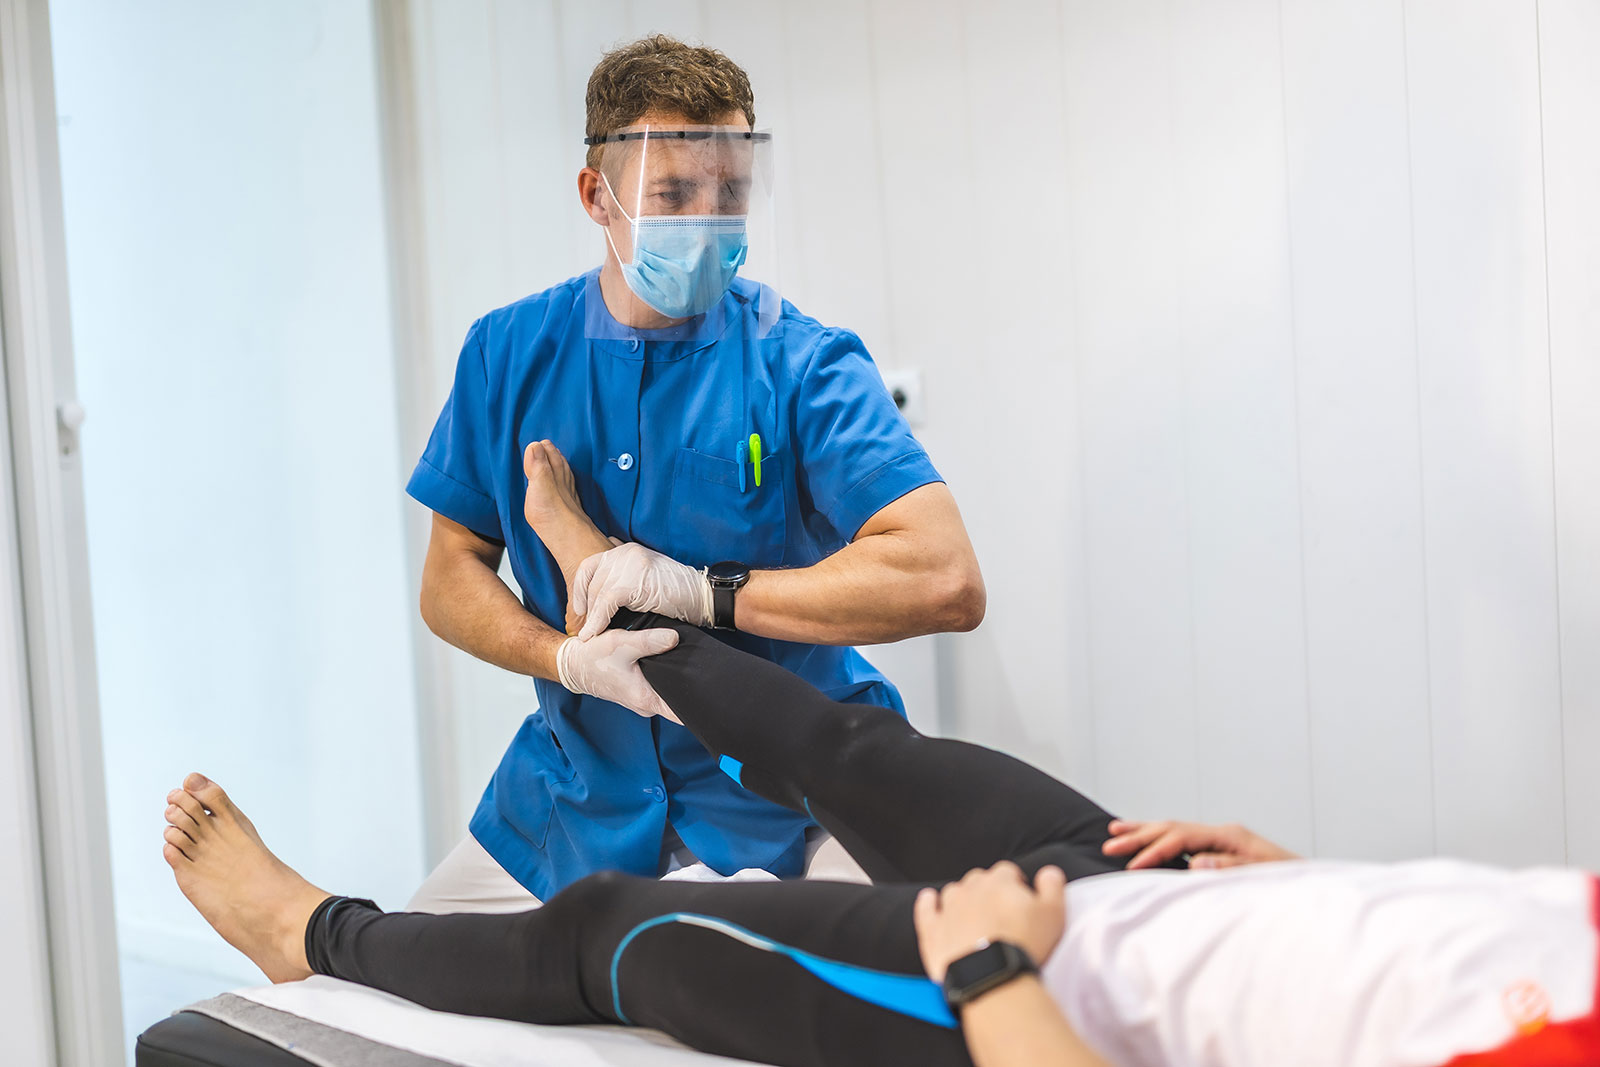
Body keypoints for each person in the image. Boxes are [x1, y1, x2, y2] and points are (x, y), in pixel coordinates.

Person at [162, 454, 1599, 1067]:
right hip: (1161, 885)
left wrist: (996, 971)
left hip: (1040, 990)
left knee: (615, 928)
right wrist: (1299, 881)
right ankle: (602, 575)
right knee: (839, 743)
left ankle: (312, 929)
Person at [407, 33, 984, 911]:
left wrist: (699, 590)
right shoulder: (506, 354)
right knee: (407, 963)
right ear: (597, 196)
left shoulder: (803, 362)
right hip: (577, 799)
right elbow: (449, 573)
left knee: (852, 968)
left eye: (732, 193)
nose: (710, 222)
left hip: (793, 795)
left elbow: (946, 578)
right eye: (675, 195)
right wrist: (564, 658)